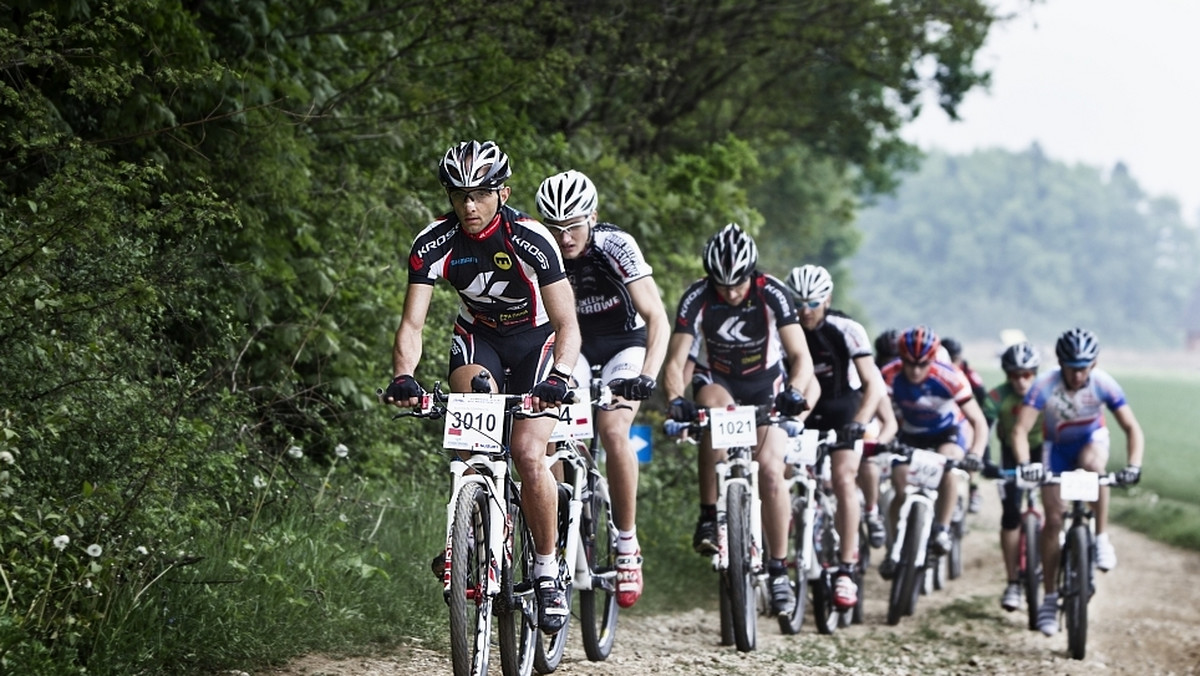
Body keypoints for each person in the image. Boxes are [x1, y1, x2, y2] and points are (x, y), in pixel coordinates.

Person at [382, 140, 581, 635]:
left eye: (480, 194)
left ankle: (546, 571)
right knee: (474, 428)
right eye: (459, 195)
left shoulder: (532, 237)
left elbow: (567, 322)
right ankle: (468, 534)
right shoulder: (434, 242)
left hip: (536, 340)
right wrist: (404, 376)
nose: (469, 206)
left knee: (529, 453)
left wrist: (558, 377)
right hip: (479, 340)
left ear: (502, 192)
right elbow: (412, 324)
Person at [662, 223, 817, 616]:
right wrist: (675, 399)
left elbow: (801, 357)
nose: (730, 293)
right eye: (722, 285)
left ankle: (779, 570)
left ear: (753, 273)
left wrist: (795, 391)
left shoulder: (772, 292)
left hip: (766, 383)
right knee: (711, 414)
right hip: (720, 379)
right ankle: (709, 516)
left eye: (738, 285)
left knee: (769, 470)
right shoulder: (697, 295)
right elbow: (677, 359)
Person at [534, 169, 669, 608]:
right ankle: (552, 537)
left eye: (573, 225)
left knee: (613, 432)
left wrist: (647, 374)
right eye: (555, 227)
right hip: (573, 345)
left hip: (623, 344)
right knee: (552, 429)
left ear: (592, 216)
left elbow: (658, 318)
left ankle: (627, 544)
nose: (565, 236)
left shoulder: (616, 245)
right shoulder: (539, 248)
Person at [1011, 327, 1144, 637]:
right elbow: (1020, 429)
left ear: (1093, 365)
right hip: (1055, 449)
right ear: (1061, 364)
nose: (1077, 375)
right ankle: (1049, 597)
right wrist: (1024, 465)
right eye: (1071, 368)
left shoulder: (1103, 384)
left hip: (1089, 441)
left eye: (1083, 368)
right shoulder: (1045, 384)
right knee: (1054, 521)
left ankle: (1100, 538)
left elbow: (1131, 428)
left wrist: (1133, 465)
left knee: (1094, 467)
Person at [784, 264, 888, 609]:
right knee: (781, 473)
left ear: (827, 299)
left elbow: (873, 384)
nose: (805, 311)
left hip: (843, 409)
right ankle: (778, 553)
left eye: (812, 302)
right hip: (803, 410)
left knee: (844, 477)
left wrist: (859, 422)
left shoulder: (847, 329)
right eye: (798, 302)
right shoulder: (783, 327)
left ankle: (846, 568)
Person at [879, 326, 989, 575]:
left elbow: (978, 422)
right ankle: (895, 545)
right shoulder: (889, 373)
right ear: (901, 359)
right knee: (900, 488)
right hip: (910, 432)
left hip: (946, 431)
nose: (916, 371)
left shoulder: (950, 376)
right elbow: (877, 411)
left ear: (932, 360)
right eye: (909, 363)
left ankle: (942, 528)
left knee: (950, 466)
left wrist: (975, 454)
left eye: (922, 364)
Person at [984, 341, 1045, 612]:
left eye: (1027, 374)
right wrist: (984, 460)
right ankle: (1012, 582)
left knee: (1058, 506)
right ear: (1006, 375)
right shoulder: (997, 396)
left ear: (1035, 372)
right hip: (1011, 452)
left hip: (1046, 449)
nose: (1021, 381)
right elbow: (983, 427)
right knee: (1010, 515)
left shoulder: (1047, 394)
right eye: (1014, 375)